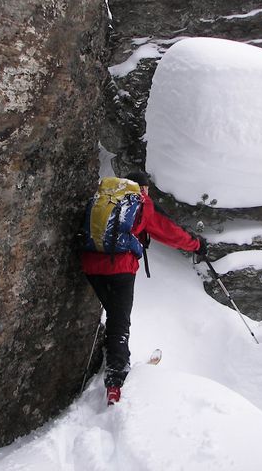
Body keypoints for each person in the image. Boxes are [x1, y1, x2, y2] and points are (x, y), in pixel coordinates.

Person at [81, 171, 207, 405]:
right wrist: (197, 245)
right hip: (120, 268)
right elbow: (169, 231)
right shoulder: (141, 202)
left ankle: (113, 352)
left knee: (115, 315)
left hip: (90, 265)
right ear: (143, 187)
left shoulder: (106, 197)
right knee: (120, 323)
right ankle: (115, 382)